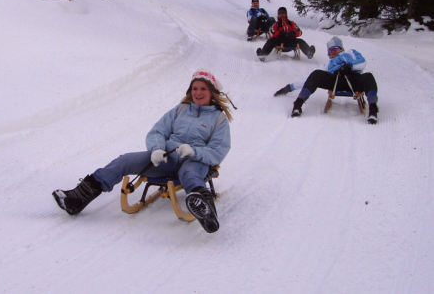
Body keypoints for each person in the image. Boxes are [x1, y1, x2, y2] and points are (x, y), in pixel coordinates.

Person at [52, 69, 235, 233]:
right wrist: (157, 149)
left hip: (194, 161)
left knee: (190, 174)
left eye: (203, 89)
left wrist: (194, 151)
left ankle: (205, 210)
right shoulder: (180, 109)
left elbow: (218, 150)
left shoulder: (218, 118)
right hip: (168, 158)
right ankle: (77, 198)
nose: (198, 93)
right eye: (194, 88)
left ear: (212, 92)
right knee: (125, 161)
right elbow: (158, 131)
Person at [273, 36, 379, 124]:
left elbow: (362, 63)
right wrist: (289, 87)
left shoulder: (351, 53)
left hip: (354, 80)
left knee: (369, 76)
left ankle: (373, 110)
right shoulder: (329, 63)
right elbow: (308, 79)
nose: (333, 51)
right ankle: (298, 104)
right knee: (316, 74)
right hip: (336, 81)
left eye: (335, 48)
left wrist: (349, 66)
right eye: (330, 50)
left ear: (341, 48)